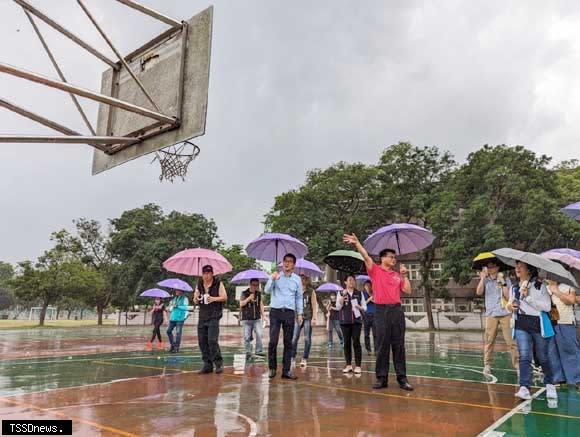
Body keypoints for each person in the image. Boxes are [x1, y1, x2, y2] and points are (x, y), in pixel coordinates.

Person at [343, 233, 413, 391]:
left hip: (396, 311)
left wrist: (405, 275)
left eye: (395, 257)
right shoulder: (375, 271)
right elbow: (365, 256)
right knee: (382, 345)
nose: (394, 259)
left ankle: (402, 379)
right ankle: (382, 378)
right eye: (391, 257)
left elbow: (408, 290)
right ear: (382, 258)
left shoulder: (396, 275)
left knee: (399, 346)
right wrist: (356, 243)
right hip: (381, 311)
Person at [507, 261, 557, 401]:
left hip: (537, 325)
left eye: (520, 266)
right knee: (524, 356)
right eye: (516, 266)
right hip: (521, 324)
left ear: (529, 270)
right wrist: (511, 307)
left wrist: (528, 297)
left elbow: (547, 307)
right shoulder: (514, 287)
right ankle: (524, 387)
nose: (517, 268)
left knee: (543, 357)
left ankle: (550, 384)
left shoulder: (540, 286)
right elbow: (510, 304)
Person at [264, 253, 303, 380]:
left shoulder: (297, 279)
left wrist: (300, 313)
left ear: (294, 265)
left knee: (288, 342)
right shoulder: (276, 275)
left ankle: (286, 371)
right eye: (285, 261)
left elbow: (299, 298)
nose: (287, 263)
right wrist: (272, 279)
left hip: (289, 312)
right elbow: (267, 291)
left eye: (290, 261)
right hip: (275, 311)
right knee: (273, 341)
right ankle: (272, 368)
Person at [475, 260, 518, 374]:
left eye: (492, 267)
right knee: (489, 341)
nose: (490, 269)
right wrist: (482, 278)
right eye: (488, 267)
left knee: (511, 341)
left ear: (497, 268)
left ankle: (517, 365)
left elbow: (509, 296)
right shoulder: (486, 280)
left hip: (505, 313)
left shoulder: (505, 279)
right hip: (491, 314)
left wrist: (503, 282)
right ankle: (487, 364)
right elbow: (479, 292)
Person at [194, 264, 228, 374]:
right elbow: (195, 299)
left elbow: (224, 297)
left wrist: (213, 298)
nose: (206, 275)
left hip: (214, 315)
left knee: (212, 340)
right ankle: (207, 364)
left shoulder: (218, 283)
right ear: (202, 274)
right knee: (202, 341)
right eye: (204, 273)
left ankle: (218, 363)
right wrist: (196, 298)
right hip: (203, 315)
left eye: (209, 273)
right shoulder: (199, 284)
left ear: (212, 274)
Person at [546, 280, 580, 388]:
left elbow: (571, 300)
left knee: (570, 350)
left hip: (566, 321)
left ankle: (576, 378)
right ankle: (558, 378)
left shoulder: (568, 285)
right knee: (552, 352)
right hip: (550, 322)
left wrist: (556, 290)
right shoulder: (545, 287)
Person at [336, 274, 365, 374]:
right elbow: (338, 307)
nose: (351, 282)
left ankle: (358, 366)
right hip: (345, 322)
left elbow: (364, 307)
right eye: (349, 280)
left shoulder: (359, 293)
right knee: (346, 343)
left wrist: (359, 307)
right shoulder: (340, 293)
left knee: (356, 342)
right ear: (345, 282)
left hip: (356, 322)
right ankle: (348, 365)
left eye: (353, 280)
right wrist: (341, 301)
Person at [291, 274, 318, 367]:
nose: (303, 280)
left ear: (308, 280)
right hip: (297, 317)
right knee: (294, 338)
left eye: (306, 279)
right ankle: (292, 357)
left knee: (307, 338)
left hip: (308, 317)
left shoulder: (311, 291)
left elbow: (314, 305)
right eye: (302, 278)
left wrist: (314, 318)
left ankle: (304, 358)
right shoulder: (295, 291)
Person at [240, 278, 265, 360]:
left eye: (257, 285)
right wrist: (248, 298)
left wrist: (264, 316)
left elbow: (261, 305)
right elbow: (241, 304)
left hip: (256, 318)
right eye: (254, 285)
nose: (255, 287)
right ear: (250, 284)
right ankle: (247, 352)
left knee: (259, 334)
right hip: (246, 319)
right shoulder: (244, 293)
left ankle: (259, 351)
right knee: (247, 336)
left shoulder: (258, 294)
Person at [167, 289, 189, 353]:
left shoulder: (185, 299)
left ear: (181, 291)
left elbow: (185, 307)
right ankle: (173, 345)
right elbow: (171, 308)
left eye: (177, 290)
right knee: (168, 331)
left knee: (178, 333)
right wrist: (170, 306)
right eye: (176, 290)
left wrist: (177, 306)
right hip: (173, 318)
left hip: (180, 318)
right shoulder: (174, 299)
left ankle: (176, 348)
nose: (176, 291)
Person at [361, 280, 376, 355]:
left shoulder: (374, 293)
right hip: (366, 315)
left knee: (375, 334)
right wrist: (368, 299)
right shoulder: (363, 294)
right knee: (366, 334)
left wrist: (372, 298)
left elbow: (377, 302)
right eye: (366, 285)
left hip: (374, 315)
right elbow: (362, 305)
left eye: (369, 285)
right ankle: (368, 349)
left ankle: (376, 349)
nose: (367, 287)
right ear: (364, 287)